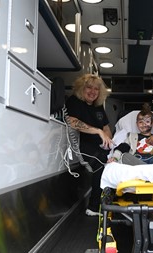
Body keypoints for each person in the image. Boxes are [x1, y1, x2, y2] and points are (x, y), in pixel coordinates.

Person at [65, 74, 113, 216]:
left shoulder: (98, 107)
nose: (92, 92)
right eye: (89, 88)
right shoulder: (74, 101)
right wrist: (97, 131)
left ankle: (109, 201)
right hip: (82, 145)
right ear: (81, 88)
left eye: (96, 89)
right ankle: (93, 207)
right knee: (101, 162)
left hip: (100, 147)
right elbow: (72, 121)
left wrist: (108, 141)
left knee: (115, 158)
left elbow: (106, 128)